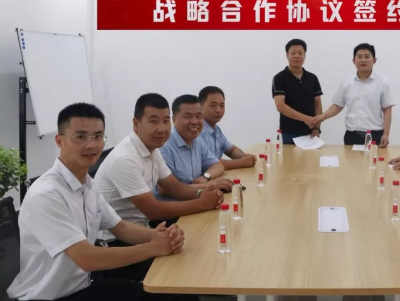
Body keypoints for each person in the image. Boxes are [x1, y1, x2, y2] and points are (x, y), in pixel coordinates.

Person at [7, 103, 188, 301]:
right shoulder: (46, 195)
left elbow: (120, 228)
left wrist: (162, 237)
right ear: (59, 141)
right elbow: (87, 258)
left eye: (97, 136)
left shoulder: (87, 184)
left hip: (83, 284)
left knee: (175, 287)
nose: (91, 145)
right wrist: (154, 247)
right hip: (52, 297)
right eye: (81, 136)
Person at [93, 93, 225, 281]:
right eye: (153, 121)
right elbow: (153, 210)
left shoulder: (152, 150)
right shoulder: (125, 159)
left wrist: (206, 191)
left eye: (165, 121)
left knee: (202, 244)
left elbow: (175, 189)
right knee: (188, 267)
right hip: (116, 243)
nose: (162, 128)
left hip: (143, 230)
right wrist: (202, 203)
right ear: (136, 123)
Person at [314, 43, 395, 147]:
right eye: (359, 57)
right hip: (352, 135)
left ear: (374, 60)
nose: (363, 60)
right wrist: (322, 117)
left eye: (367, 56)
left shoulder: (382, 82)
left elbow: (387, 109)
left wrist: (386, 134)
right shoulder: (347, 82)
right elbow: (337, 106)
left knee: (373, 158)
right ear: (354, 60)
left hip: (375, 135)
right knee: (349, 158)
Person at [156, 95, 233, 200]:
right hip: (175, 207)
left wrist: (205, 176)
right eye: (188, 117)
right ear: (174, 120)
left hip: (197, 200)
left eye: (198, 116)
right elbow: (165, 189)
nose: (195, 121)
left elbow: (218, 165)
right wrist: (209, 186)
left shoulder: (197, 141)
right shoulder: (164, 147)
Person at [271, 39, 324, 144]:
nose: (297, 56)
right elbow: (280, 106)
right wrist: (305, 119)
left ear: (305, 56)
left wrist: (317, 128)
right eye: (293, 53)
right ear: (287, 55)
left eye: (300, 53)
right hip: (288, 132)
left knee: (312, 156)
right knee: (288, 156)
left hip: (310, 132)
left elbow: (317, 104)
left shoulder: (312, 78)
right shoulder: (279, 78)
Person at [198, 86, 257, 168]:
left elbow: (231, 150)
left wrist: (244, 157)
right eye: (213, 105)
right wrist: (242, 162)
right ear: (200, 106)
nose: (218, 110)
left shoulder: (217, 130)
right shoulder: (197, 131)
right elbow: (209, 163)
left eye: (222, 105)